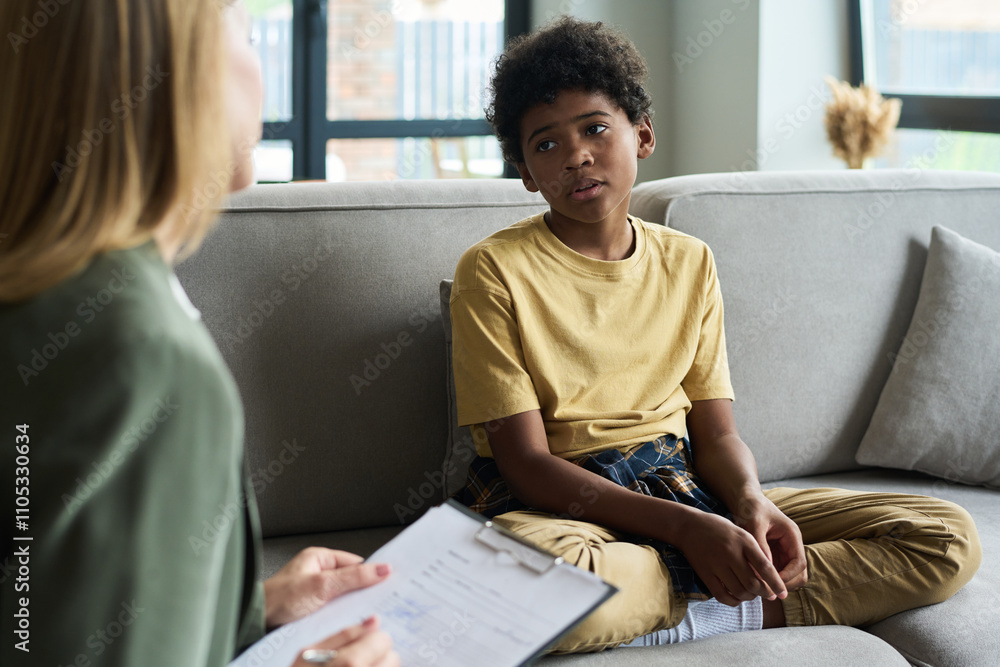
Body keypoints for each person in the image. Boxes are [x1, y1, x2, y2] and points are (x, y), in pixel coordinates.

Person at [449, 17, 982, 653]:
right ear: (528, 173)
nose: (576, 156)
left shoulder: (690, 261)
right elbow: (526, 465)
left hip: (680, 481)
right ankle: (729, 595)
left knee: (945, 536)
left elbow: (718, 432)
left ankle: (686, 604)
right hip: (566, 510)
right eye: (546, 145)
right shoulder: (493, 271)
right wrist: (691, 532)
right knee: (544, 581)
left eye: (595, 128)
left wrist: (750, 503)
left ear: (641, 134)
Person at [0, 2, 398, 666]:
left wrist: (238, 608)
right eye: (243, 30)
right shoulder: (146, 359)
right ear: (174, 75)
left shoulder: (41, 298)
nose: (260, 64)